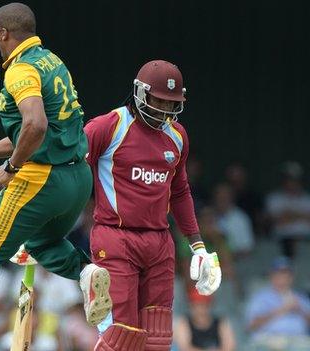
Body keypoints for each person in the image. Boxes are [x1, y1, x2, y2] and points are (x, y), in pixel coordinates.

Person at [0, 3, 111, 350]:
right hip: (76, 180)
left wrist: (11, 168)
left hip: (40, 180)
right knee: (40, 243)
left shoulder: (21, 70)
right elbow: (34, 132)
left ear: (2, 33)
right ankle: (86, 273)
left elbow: (35, 125)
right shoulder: (53, 62)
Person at [84, 60, 222, 350]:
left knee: (157, 338)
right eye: (158, 101)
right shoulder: (108, 127)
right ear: (139, 93)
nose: (163, 110)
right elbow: (69, 174)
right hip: (116, 237)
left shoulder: (177, 136)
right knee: (121, 337)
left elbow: (180, 191)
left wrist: (198, 245)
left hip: (160, 243)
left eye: (171, 104)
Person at [245, 256, 310, 348]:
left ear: (291, 278)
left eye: (285, 275)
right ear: (271, 276)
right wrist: (282, 310)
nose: (282, 279)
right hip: (269, 341)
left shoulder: (301, 298)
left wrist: (300, 310)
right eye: (278, 275)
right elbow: (251, 326)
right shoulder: (260, 298)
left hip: (299, 341)